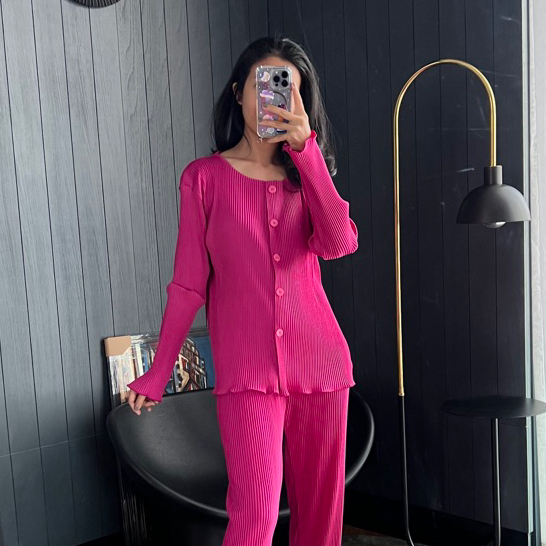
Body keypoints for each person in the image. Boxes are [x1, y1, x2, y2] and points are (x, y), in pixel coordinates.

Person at [126, 34, 358, 546]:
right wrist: (159, 372)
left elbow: (339, 243)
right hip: (247, 374)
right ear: (237, 93)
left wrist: (308, 153)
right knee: (254, 518)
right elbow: (188, 285)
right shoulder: (203, 179)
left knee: (320, 525)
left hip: (321, 366)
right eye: (262, 84)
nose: (271, 98)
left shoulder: (307, 176)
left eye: (287, 88)